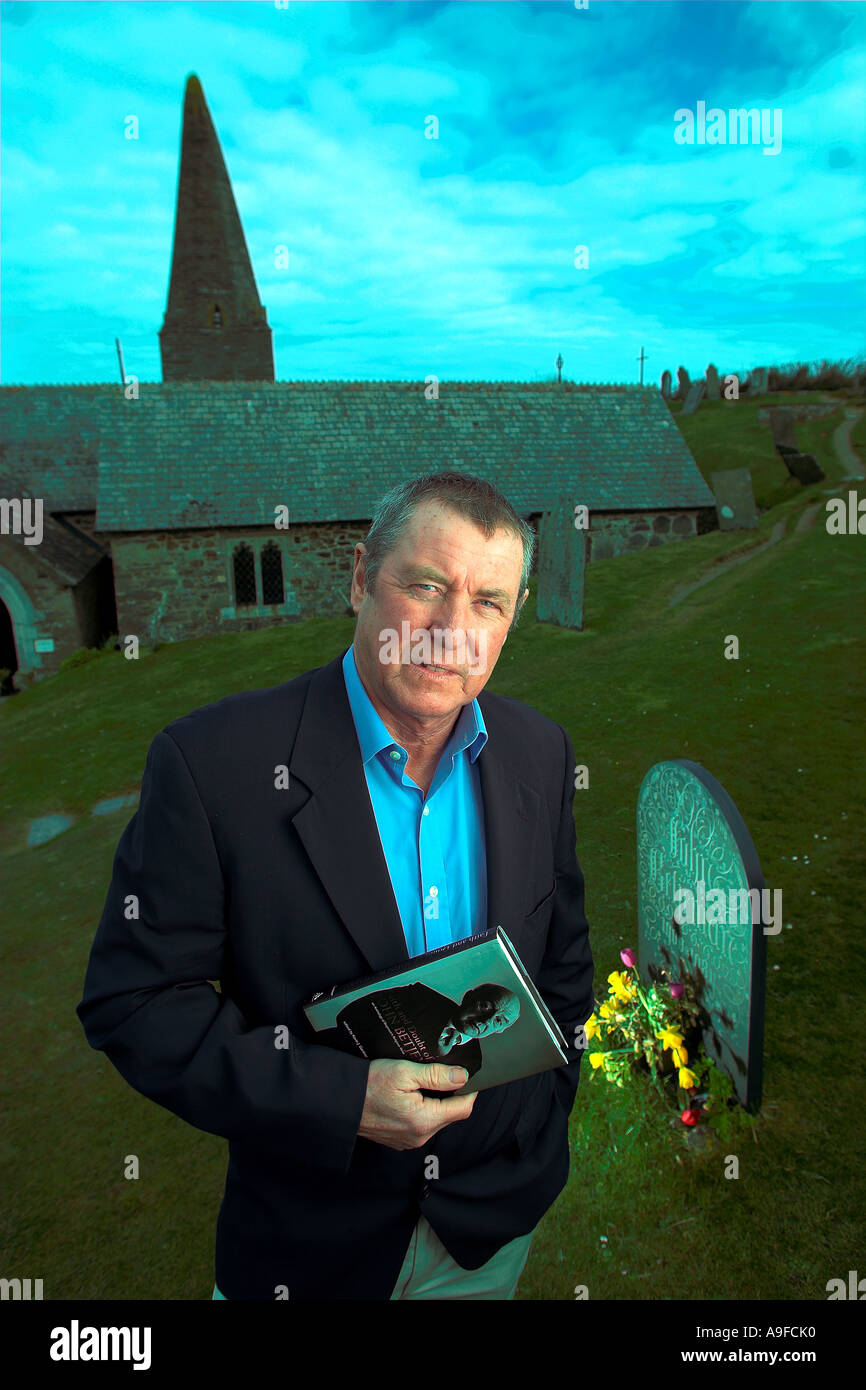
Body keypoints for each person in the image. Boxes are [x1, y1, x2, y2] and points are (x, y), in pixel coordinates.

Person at [76, 470, 595, 1301]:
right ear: (360, 577)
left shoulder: (541, 753)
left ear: (512, 618)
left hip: (488, 1232)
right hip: (310, 1245)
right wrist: (339, 1098)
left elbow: (564, 964)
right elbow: (135, 1001)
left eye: (488, 604)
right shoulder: (215, 767)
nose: (451, 634)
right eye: (427, 587)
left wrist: (543, 1115)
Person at [316, 981, 521, 1081]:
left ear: (500, 1030)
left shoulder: (472, 1062)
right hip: (324, 1052)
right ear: (468, 997)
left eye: (499, 1020)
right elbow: (355, 1010)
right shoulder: (422, 994)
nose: (486, 1020)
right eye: (486, 1006)